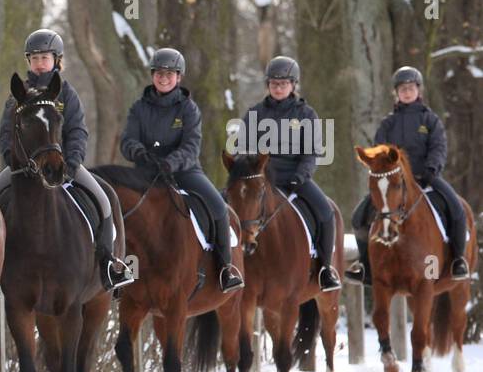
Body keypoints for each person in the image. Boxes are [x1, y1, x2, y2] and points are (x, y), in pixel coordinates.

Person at [0, 28, 135, 290]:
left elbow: (77, 131)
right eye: (34, 58)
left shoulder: (66, 94)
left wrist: (72, 163)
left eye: (45, 57)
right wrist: (15, 160)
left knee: (105, 198)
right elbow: (5, 135)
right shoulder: (17, 97)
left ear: (57, 60)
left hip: (61, 167)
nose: (40, 63)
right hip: (24, 170)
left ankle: (108, 262)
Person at [121, 47, 243, 293]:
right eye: (158, 73)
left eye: (169, 73)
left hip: (184, 171)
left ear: (179, 77)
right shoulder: (138, 108)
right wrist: (139, 153)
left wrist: (171, 162)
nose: (163, 78)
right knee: (120, 205)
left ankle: (225, 268)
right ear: (152, 75)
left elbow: (191, 146)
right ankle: (119, 268)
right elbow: (127, 141)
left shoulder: (188, 109)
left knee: (218, 207)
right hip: (146, 172)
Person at [346, 65, 470, 283]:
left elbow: (439, 146)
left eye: (410, 88)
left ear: (418, 91)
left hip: (426, 178)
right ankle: (366, 266)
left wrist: (432, 169)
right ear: (396, 93)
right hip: (394, 182)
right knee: (358, 217)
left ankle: (457, 259)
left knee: (457, 209)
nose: (406, 92)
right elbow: (379, 150)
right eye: (402, 89)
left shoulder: (430, 120)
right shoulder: (388, 123)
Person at [240, 56, 341, 291]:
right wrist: (250, 174)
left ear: (293, 85)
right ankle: (227, 264)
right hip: (261, 179)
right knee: (228, 203)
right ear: (268, 85)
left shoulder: (306, 114)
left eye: (283, 83)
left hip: (295, 178)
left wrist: (301, 175)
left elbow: (312, 153)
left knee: (326, 213)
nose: (278, 88)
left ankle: (325, 269)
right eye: (274, 83)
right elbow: (245, 151)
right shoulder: (254, 113)